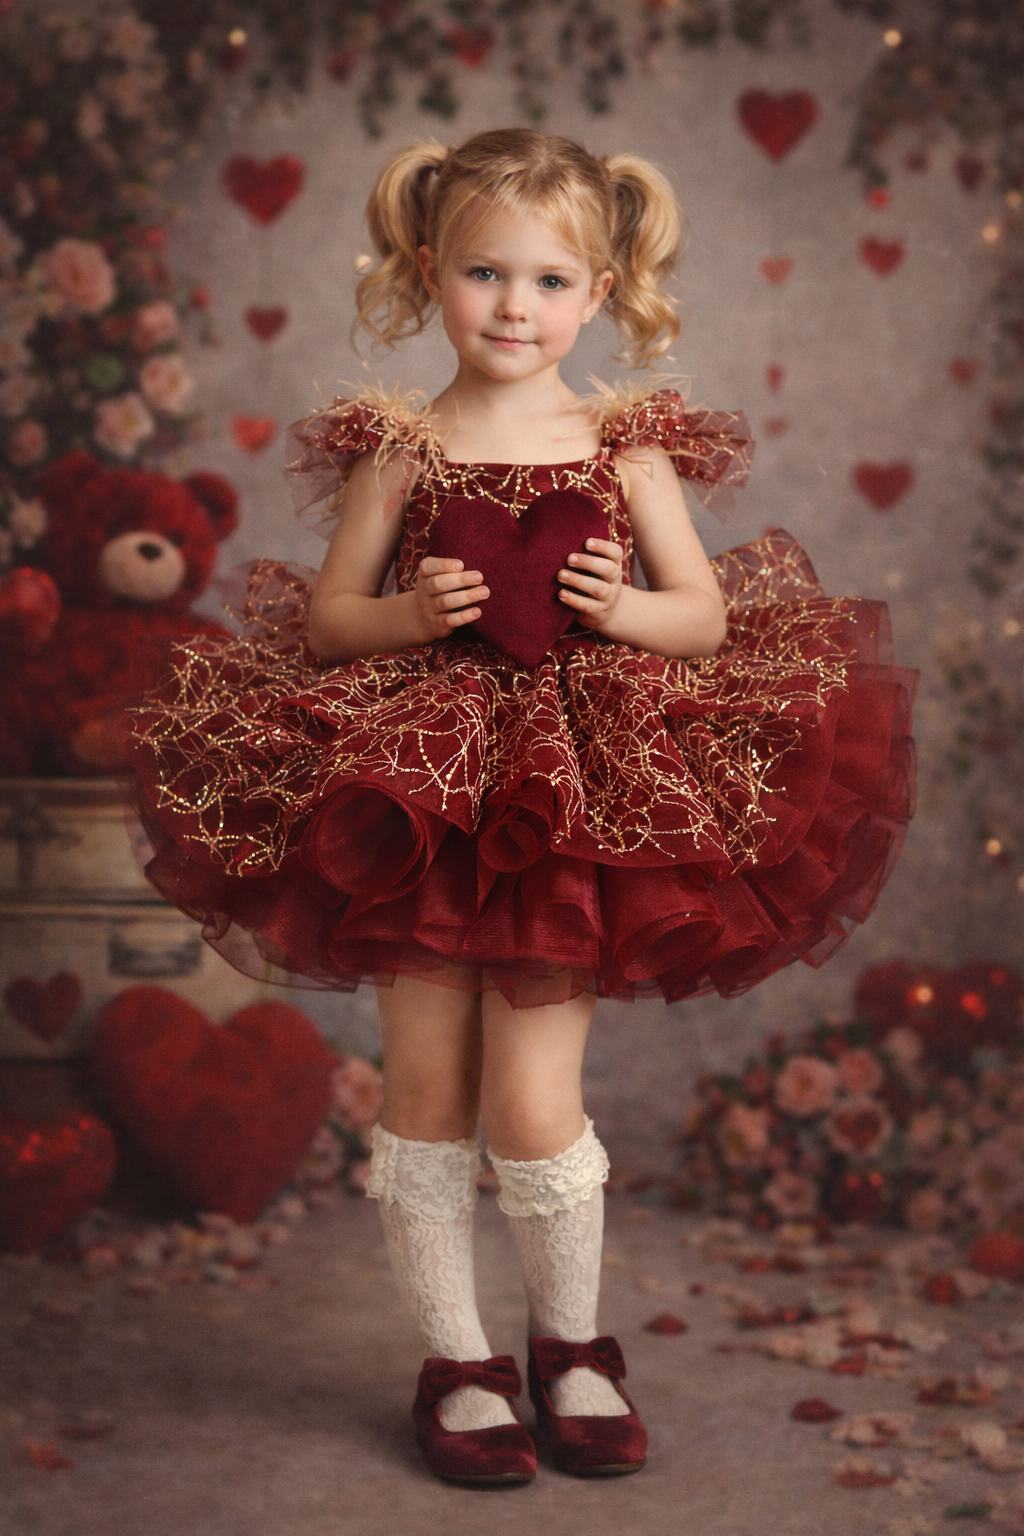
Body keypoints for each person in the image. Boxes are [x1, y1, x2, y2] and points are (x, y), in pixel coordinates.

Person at [123, 128, 915, 1486]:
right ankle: (459, 1360)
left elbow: (707, 616)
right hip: (413, 798)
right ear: (430, 271)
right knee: (427, 1086)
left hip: (577, 800)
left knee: (538, 1098)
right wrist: (410, 610)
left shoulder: (626, 446)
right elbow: (325, 627)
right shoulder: (402, 448)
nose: (513, 306)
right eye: (485, 273)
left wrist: (627, 610)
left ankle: (573, 1344)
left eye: (551, 282)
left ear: (600, 294)